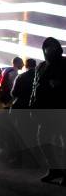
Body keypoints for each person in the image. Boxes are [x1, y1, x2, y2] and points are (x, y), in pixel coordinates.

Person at [30, 37, 66, 185]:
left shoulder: (65, 63)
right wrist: (32, 105)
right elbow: (35, 87)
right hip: (45, 111)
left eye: (53, 47)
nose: (50, 50)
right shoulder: (41, 66)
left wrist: (60, 85)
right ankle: (55, 169)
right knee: (43, 140)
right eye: (47, 47)